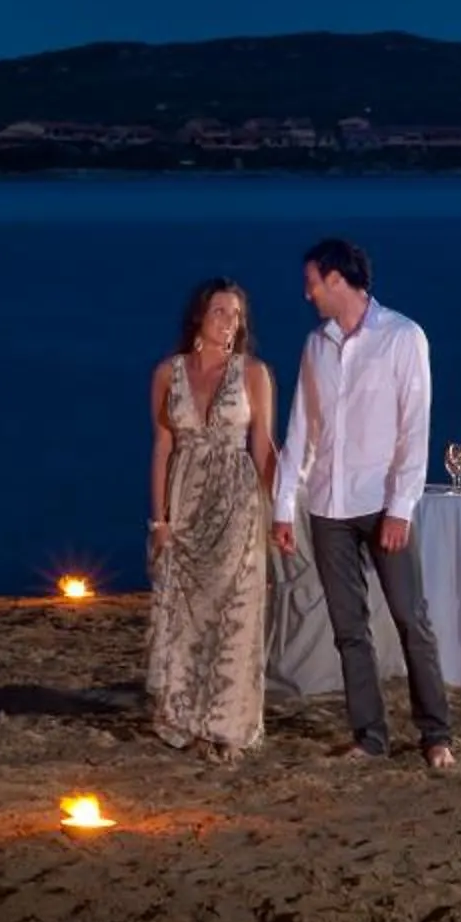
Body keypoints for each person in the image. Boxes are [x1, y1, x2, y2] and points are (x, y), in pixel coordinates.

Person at [272, 237, 453, 770]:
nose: (307, 293)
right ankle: (370, 736)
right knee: (349, 629)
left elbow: (414, 428)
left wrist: (401, 507)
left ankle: (436, 734)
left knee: (410, 618)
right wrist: (284, 505)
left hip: (381, 501)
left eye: (312, 282)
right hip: (328, 505)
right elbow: (301, 429)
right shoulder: (316, 345)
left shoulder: (402, 337)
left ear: (336, 280)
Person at [144, 277, 275, 758]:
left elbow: (263, 447)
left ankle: (227, 727)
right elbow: (162, 448)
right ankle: (185, 719)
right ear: (199, 315)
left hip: (236, 500)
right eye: (220, 311)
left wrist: (281, 512)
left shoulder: (253, 373)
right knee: (186, 612)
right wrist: (160, 520)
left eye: (236, 314)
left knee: (232, 608)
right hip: (186, 499)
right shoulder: (168, 372)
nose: (229, 322)